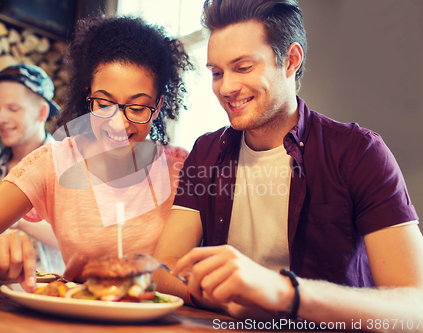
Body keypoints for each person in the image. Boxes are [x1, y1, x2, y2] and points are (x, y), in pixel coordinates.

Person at [154, 0, 423, 329]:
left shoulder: (359, 153)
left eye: (243, 67)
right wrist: (229, 301)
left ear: (291, 60)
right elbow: (164, 267)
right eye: (217, 72)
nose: (226, 87)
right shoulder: (207, 151)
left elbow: (414, 307)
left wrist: (284, 293)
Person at [0, 15, 193, 291]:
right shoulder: (54, 162)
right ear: (88, 96)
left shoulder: (182, 169)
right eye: (104, 103)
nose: (118, 123)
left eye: (137, 107)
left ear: (157, 107)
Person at [0, 64, 64, 273]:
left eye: (13, 108)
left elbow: (82, 241)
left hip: (47, 291)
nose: (0, 118)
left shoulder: (68, 167)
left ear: (42, 112)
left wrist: (16, 220)